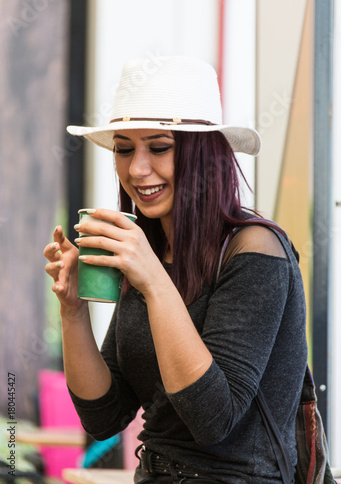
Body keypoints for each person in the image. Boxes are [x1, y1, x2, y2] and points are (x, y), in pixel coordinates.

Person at [44, 56, 307, 483]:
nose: (136, 169)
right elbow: (104, 417)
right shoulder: (150, 253)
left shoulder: (257, 250)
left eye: (159, 147)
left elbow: (212, 420)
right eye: (124, 149)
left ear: (204, 154)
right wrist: (72, 310)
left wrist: (151, 278)